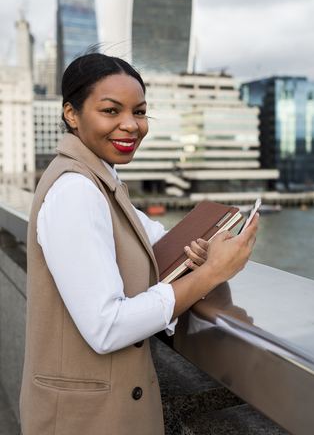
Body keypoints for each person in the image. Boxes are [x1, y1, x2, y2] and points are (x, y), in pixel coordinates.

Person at [19, 53, 258, 435]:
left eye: (140, 112)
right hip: (85, 420)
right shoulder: (76, 190)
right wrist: (212, 271)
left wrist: (197, 255)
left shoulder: (101, 180)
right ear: (71, 114)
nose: (131, 125)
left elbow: (158, 242)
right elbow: (107, 327)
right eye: (111, 111)